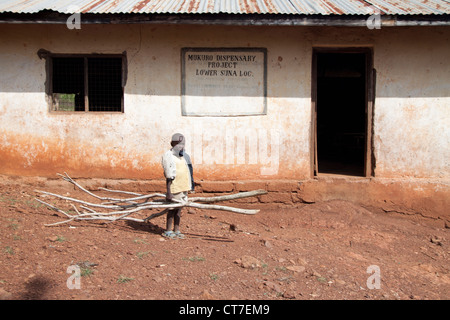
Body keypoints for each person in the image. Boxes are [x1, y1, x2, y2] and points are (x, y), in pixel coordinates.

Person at [161, 133, 193, 239]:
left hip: (183, 187)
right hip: (175, 188)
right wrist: (169, 192)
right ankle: (168, 230)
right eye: (178, 144)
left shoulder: (184, 156)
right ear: (172, 144)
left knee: (179, 210)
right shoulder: (168, 156)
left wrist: (190, 186)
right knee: (171, 209)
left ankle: (177, 229)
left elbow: (189, 171)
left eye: (182, 144)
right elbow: (169, 176)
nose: (181, 146)